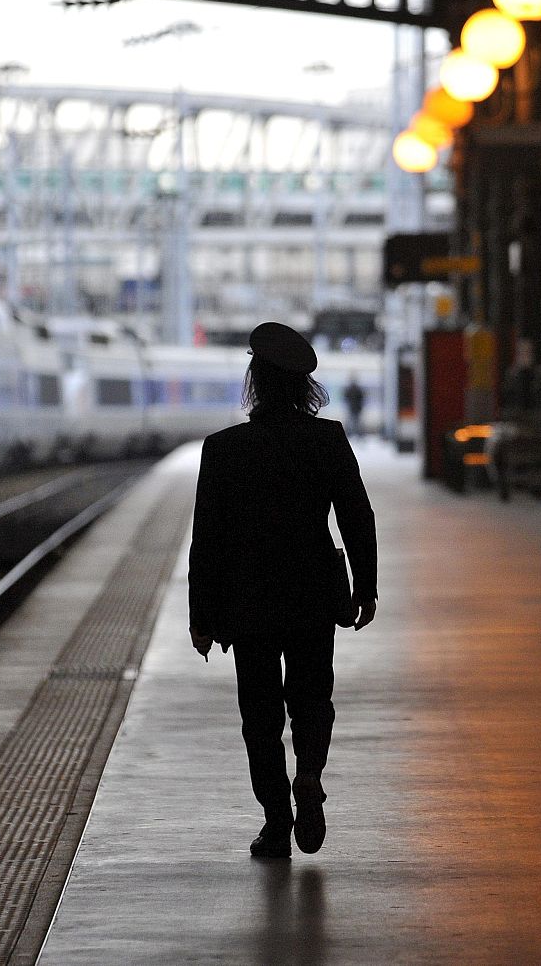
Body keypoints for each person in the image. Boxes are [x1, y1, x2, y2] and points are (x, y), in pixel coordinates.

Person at [189, 321, 378, 860]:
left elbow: (208, 539)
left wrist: (201, 613)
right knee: (313, 700)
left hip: (247, 603)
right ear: (303, 388)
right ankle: (310, 779)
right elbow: (356, 516)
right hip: (313, 595)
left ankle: (276, 821)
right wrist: (365, 586)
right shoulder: (327, 440)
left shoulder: (223, 449)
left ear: (254, 380)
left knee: (261, 716)